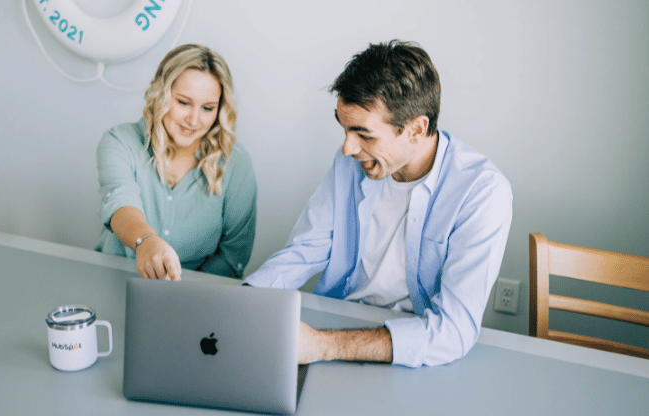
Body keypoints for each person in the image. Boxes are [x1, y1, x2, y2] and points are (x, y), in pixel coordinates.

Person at [243, 40, 513, 367]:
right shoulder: (354, 162)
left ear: (415, 129)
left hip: (416, 352)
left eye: (364, 134)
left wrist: (322, 346)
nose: (347, 148)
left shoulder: (481, 192)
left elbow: (453, 331)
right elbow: (303, 251)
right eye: (344, 129)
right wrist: (245, 301)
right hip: (338, 324)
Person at [96, 44, 257, 281]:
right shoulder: (120, 142)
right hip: (117, 281)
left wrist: (183, 296)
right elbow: (120, 202)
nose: (193, 120)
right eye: (183, 102)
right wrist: (145, 242)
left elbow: (233, 256)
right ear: (161, 94)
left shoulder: (236, 163)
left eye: (207, 108)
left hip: (197, 297)